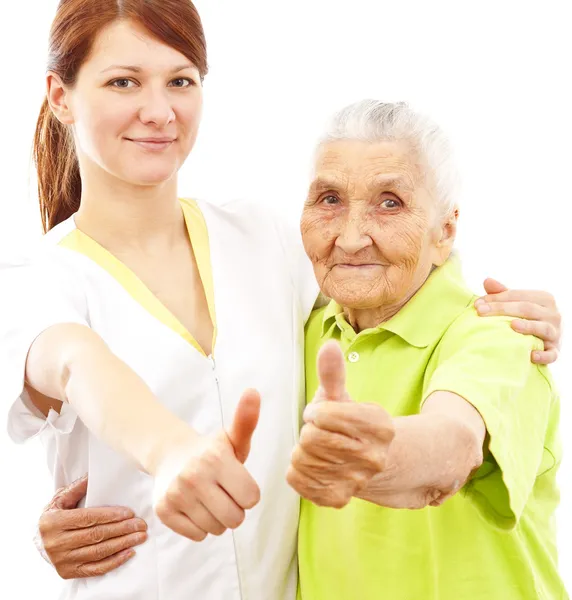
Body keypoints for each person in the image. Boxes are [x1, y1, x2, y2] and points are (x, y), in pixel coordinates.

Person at [3, 0, 561, 596]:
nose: (159, 110)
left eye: (181, 81)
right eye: (123, 82)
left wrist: (521, 316)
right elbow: (76, 361)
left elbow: (389, 282)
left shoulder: (264, 235)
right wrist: (165, 456)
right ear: (60, 96)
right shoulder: (35, 277)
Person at [288, 100, 567, 600]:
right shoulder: (300, 330)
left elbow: (453, 442)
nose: (351, 239)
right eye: (329, 199)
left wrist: (366, 456)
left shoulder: (500, 334)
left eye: (389, 202)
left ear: (446, 231)